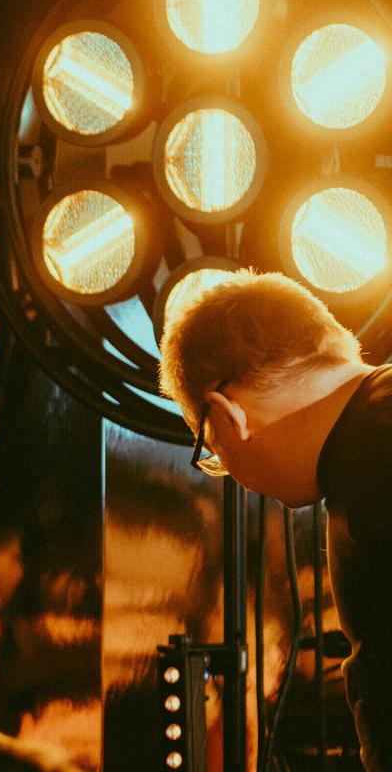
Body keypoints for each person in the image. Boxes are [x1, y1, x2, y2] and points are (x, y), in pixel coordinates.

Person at [158, 269, 388, 770]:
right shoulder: (366, 439)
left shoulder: (374, 460)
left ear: (226, 415)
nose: (231, 476)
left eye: (211, 452)